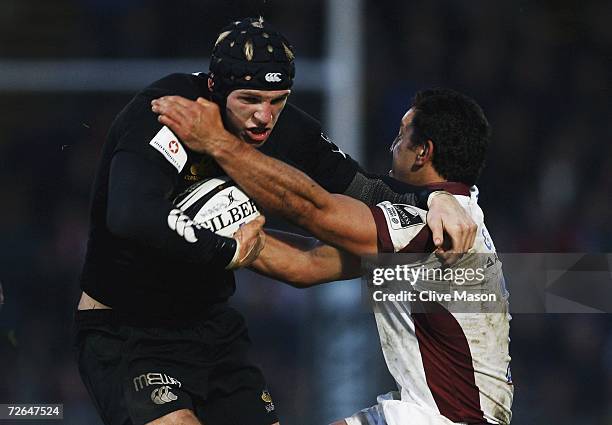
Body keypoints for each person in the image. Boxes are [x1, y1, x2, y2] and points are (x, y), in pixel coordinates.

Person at [75, 16, 476, 425]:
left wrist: (435, 197)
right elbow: (129, 216)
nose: (264, 116)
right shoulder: (168, 112)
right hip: (129, 329)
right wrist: (225, 250)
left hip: (210, 327)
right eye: (249, 99)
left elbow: (366, 188)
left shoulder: (286, 128)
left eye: (277, 99)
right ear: (215, 88)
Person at [152, 88, 513, 424]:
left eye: (402, 135)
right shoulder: (454, 221)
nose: (393, 146)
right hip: (423, 411)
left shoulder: (425, 227)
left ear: (424, 152)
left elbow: (312, 209)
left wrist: (219, 144)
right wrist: (211, 232)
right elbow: (307, 264)